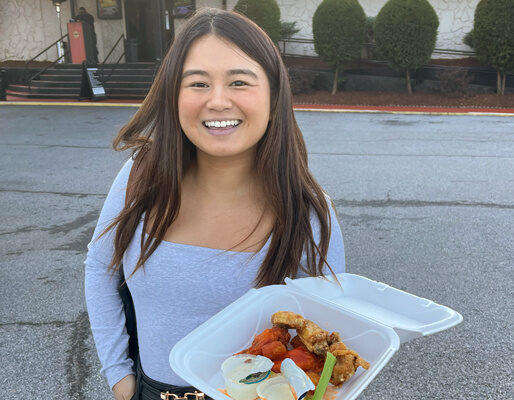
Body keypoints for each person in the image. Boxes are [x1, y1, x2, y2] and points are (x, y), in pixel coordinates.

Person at [85, 7, 345, 400]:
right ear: (174, 94)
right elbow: (100, 268)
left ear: (274, 95)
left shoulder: (306, 209)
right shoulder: (142, 176)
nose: (218, 101)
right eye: (198, 83)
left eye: (240, 81)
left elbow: (328, 341)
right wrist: (120, 377)